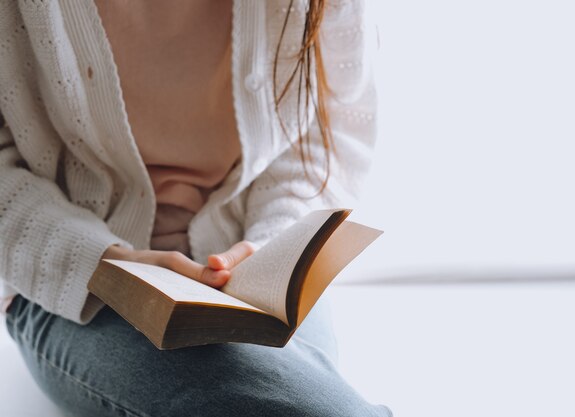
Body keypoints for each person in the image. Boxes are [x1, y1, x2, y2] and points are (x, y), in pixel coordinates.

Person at [0, 0, 390, 415]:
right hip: (76, 288)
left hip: (256, 280)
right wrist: (110, 266)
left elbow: (323, 136)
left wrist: (271, 250)